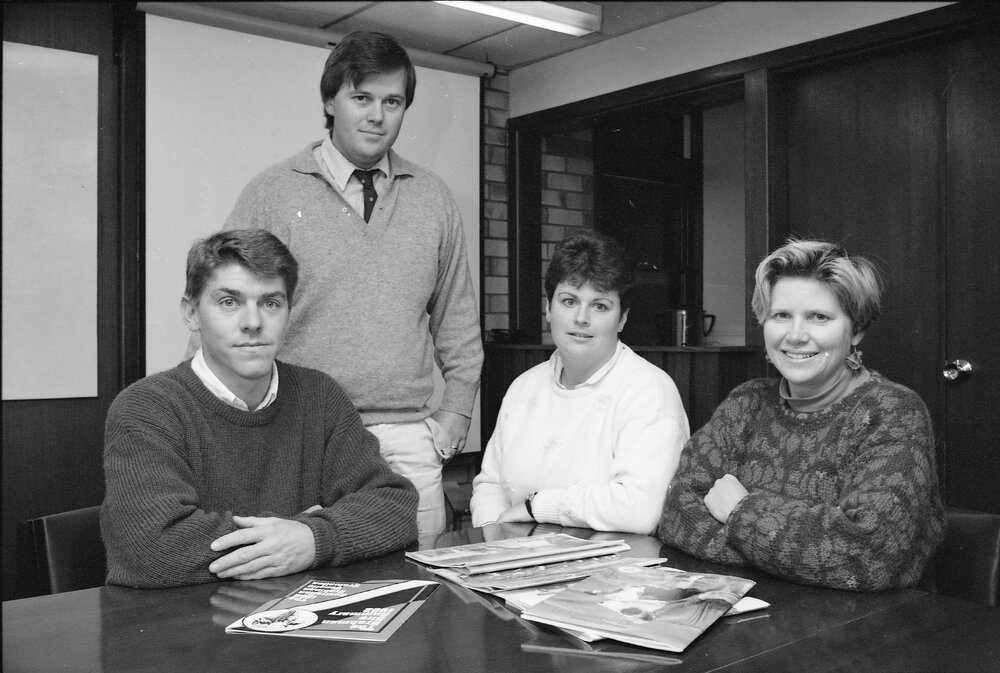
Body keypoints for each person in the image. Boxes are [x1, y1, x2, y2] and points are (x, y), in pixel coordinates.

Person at [214, 30, 483, 537]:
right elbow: (223, 307)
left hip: (406, 442)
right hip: (300, 435)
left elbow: (458, 316)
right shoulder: (273, 191)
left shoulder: (433, 199)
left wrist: (457, 412)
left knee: (418, 596)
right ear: (330, 100)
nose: (377, 116)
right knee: (309, 597)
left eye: (392, 101)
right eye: (361, 98)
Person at [102, 230, 418, 589]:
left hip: (295, 622)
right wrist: (299, 531)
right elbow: (153, 551)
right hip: (184, 630)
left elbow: (396, 506)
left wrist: (314, 539)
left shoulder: (320, 394)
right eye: (229, 302)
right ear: (191, 313)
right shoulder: (147, 407)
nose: (253, 322)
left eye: (270, 303)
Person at [658, 239, 945, 591]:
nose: (795, 335)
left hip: (859, 632)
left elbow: (866, 554)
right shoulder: (745, 402)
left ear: (856, 330)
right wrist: (791, 552)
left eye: (818, 317)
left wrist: (740, 510)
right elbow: (675, 511)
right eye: (781, 316)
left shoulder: (892, 412)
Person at [470, 231, 690, 533]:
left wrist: (537, 507)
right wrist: (495, 539)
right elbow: (490, 484)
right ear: (549, 309)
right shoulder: (524, 387)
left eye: (599, 305)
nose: (581, 318)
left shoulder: (648, 390)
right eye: (569, 301)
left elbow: (641, 509)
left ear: (622, 318)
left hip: (614, 572)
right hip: (514, 568)